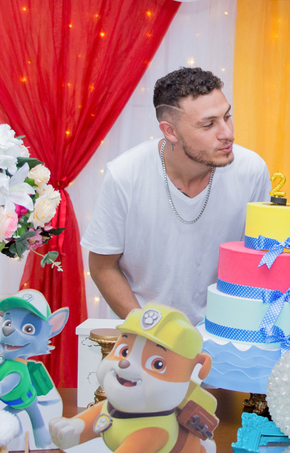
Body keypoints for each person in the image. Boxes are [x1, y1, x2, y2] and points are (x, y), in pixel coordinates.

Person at [82, 67, 271, 323]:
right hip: (144, 331)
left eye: (227, 117)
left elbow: (258, 259)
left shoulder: (252, 169)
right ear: (170, 131)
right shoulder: (124, 175)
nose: (227, 133)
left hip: (225, 330)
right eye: (209, 124)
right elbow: (103, 266)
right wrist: (147, 327)